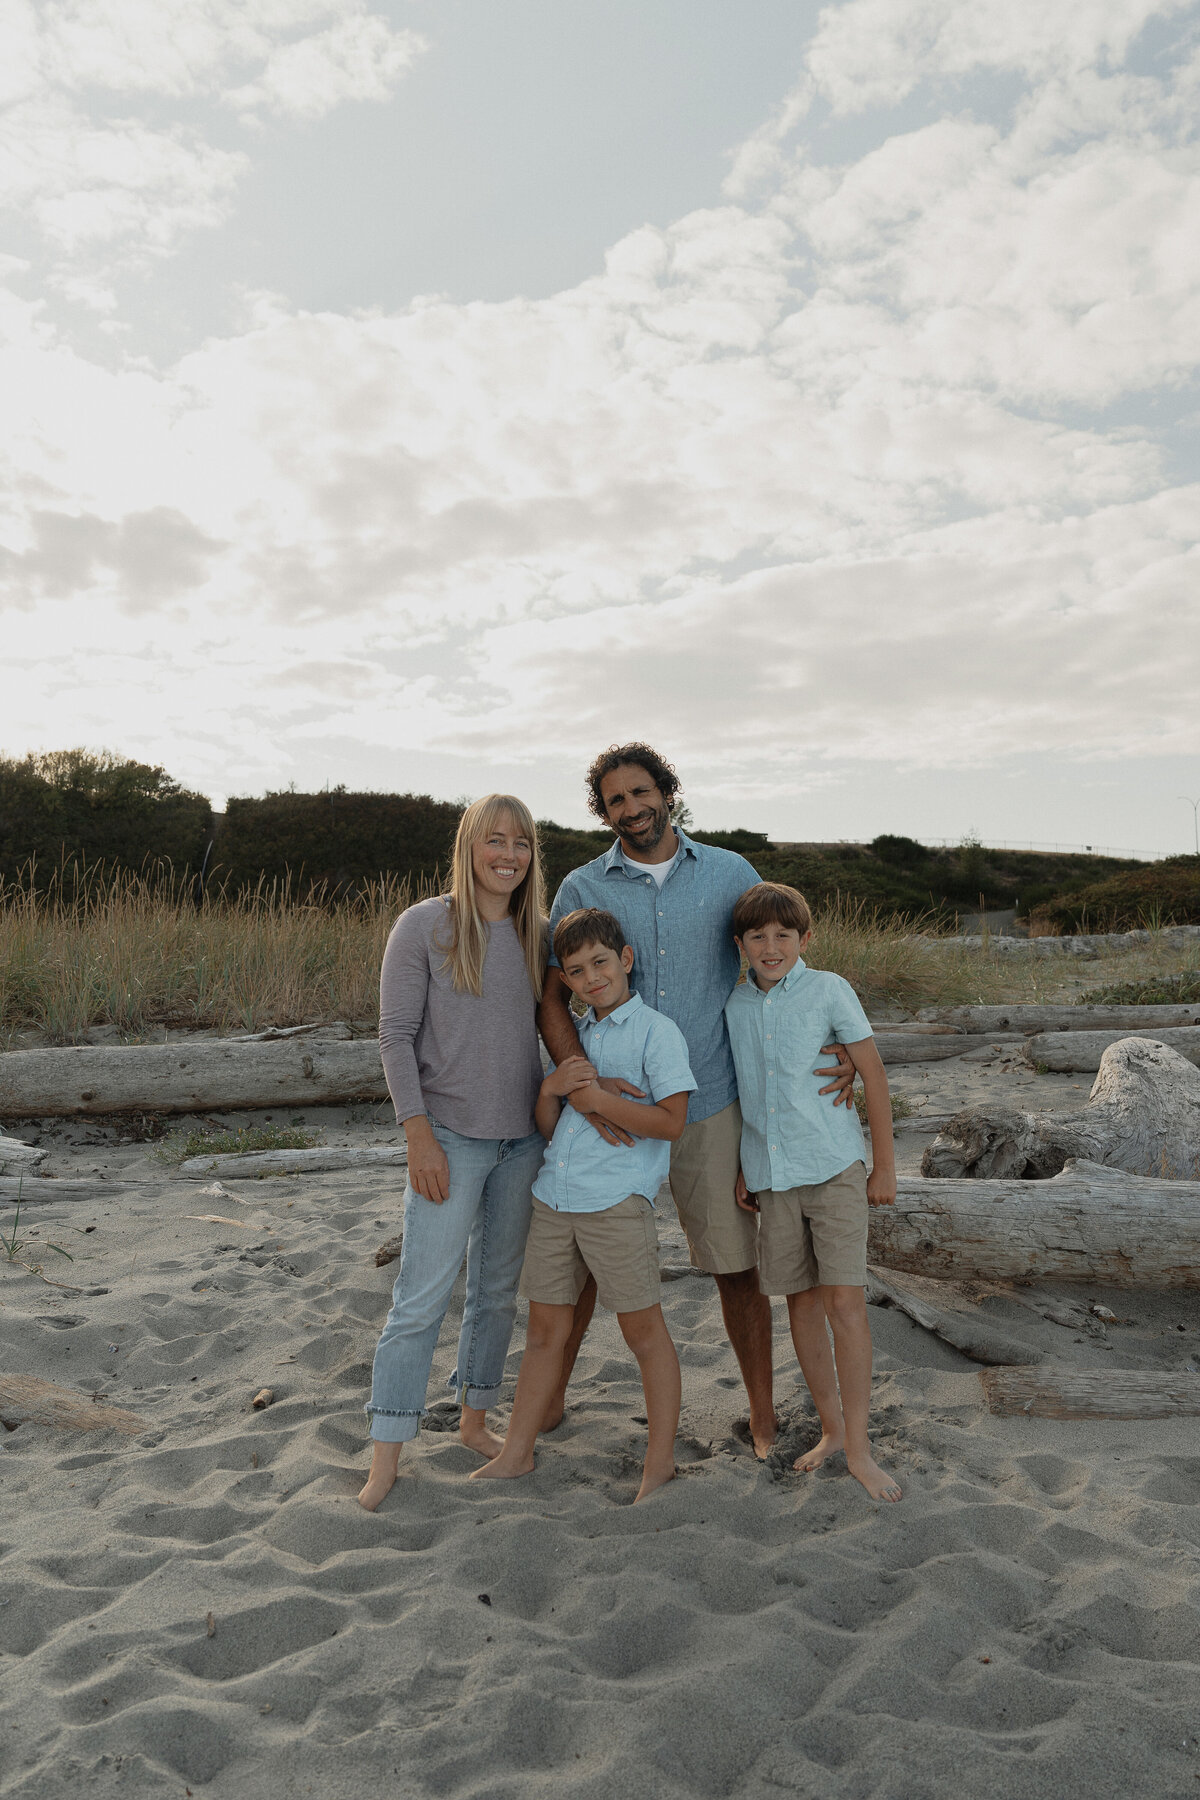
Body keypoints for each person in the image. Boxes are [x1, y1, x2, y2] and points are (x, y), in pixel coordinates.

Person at [536, 743, 855, 1458]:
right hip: (611, 1111)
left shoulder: (731, 873)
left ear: (667, 792)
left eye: (641, 792)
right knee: (583, 1264)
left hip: (709, 1099)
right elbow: (552, 996)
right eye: (615, 800)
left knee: (736, 1268)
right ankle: (551, 1399)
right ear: (602, 812)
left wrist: (836, 1045)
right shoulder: (582, 887)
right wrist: (582, 1081)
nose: (631, 808)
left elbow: (777, 963)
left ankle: (763, 1417)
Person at [358, 794, 548, 1512]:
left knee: (495, 1294)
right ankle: (386, 1454)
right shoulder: (424, 925)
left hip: (522, 1143)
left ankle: (473, 1420)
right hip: (449, 1140)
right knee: (419, 1300)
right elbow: (394, 1036)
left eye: (521, 843)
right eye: (495, 840)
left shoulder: (538, 933)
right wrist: (419, 1136)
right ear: (469, 846)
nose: (509, 855)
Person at [473, 908, 695, 1502]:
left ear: (626, 960)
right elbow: (553, 1128)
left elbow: (672, 1122)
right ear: (565, 981)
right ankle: (517, 1452)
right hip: (554, 1198)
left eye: (601, 963)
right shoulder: (578, 1039)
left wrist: (597, 1098)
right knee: (544, 1331)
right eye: (576, 971)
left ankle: (660, 1462)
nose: (592, 978)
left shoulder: (655, 1033)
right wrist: (553, 1089)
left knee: (643, 1333)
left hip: (616, 1203)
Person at [725, 882, 902, 1503]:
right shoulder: (735, 1004)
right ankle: (831, 1430)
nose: (771, 947)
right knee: (799, 1304)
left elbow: (872, 1075)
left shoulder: (829, 989)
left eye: (784, 935)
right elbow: (747, 1092)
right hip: (772, 1180)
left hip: (833, 1168)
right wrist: (746, 1166)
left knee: (845, 1303)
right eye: (757, 937)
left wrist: (884, 1167)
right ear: (740, 944)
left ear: (806, 939)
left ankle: (860, 1448)